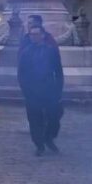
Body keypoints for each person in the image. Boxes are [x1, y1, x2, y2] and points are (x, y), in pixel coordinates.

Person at [17, 14, 64, 156]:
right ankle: (39, 145)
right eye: (32, 35)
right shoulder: (25, 52)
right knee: (34, 119)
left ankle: (49, 137)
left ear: (42, 35)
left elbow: (58, 71)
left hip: (49, 89)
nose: (34, 37)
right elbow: (21, 73)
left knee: (54, 117)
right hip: (32, 91)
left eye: (36, 34)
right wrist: (25, 90)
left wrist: (58, 90)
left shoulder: (51, 50)